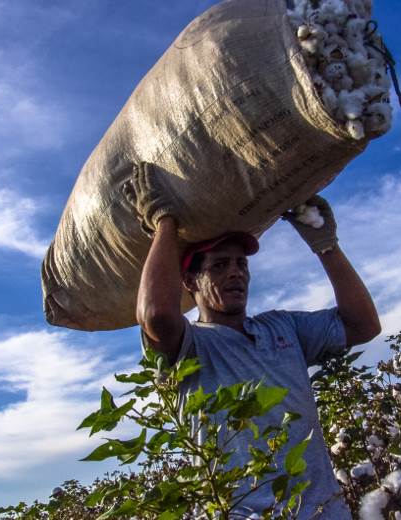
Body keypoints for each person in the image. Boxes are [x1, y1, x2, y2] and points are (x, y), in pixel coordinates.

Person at [125, 163, 381, 518]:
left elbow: (364, 324)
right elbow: (155, 314)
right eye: (218, 266)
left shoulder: (282, 327)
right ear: (190, 282)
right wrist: (164, 220)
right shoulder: (188, 346)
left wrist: (326, 245)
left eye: (241, 265)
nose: (235, 272)